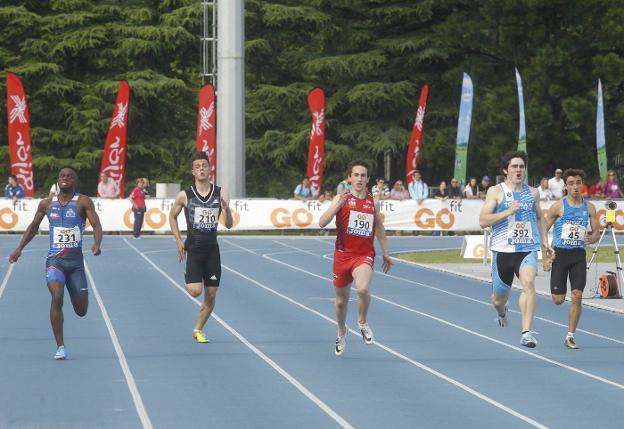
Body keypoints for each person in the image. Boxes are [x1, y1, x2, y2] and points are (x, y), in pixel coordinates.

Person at [8, 166, 102, 360]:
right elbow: (34, 226)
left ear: (75, 180)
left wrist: (96, 243)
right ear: (58, 180)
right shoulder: (46, 204)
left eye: (69, 176)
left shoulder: (83, 201)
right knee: (56, 296)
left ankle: (77, 295)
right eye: (62, 176)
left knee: (81, 310)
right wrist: (19, 248)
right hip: (55, 261)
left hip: (75, 264)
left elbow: (97, 225)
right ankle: (60, 346)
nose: (65, 178)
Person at [319, 159, 392, 356]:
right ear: (349, 177)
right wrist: (336, 207)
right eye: (356, 175)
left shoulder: (372, 201)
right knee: (341, 302)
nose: (359, 179)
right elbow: (321, 222)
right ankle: (342, 330)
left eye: (363, 175)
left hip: (364, 255)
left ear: (368, 179)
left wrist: (385, 252)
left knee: (362, 288)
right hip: (342, 256)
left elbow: (379, 228)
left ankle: (362, 321)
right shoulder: (340, 198)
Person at [479, 151, 551, 348]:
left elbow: (539, 218)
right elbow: (483, 221)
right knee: (497, 299)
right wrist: (507, 211)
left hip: (527, 248)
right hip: (502, 251)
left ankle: (526, 332)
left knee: (528, 282)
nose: (519, 170)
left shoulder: (533, 192)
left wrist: (545, 243)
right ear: (505, 170)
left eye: (521, 167)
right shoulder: (496, 191)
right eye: (514, 167)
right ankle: (502, 312)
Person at [169, 151, 233, 343]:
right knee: (195, 291)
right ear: (193, 171)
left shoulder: (221, 193)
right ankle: (189, 275)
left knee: (211, 294)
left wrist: (227, 209)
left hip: (212, 250)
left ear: (209, 168)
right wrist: (179, 241)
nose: (201, 169)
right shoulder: (185, 195)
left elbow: (228, 224)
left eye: (204, 165)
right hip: (194, 249)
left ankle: (198, 329)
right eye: (197, 167)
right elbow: (172, 216)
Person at [544, 169, 599, 349]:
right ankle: (561, 290)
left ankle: (570, 335)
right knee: (558, 300)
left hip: (578, 256)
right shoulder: (558, 206)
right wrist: (546, 254)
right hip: (560, 255)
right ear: (565, 186)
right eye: (571, 183)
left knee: (577, 295)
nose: (575, 187)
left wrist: (592, 238)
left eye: (578, 183)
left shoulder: (589, 207)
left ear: (582, 184)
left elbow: (596, 232)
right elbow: (543, 229)